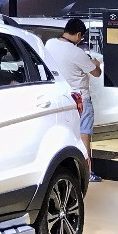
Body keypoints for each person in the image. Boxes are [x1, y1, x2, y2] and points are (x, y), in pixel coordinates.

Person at [43, 17, 103, 182]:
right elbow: (96, 73)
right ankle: (87, 173)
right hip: (80, 99)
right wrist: (95, 63)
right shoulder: (78, 53)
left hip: (60, 98)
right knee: (84, 134)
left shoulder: (50, 44)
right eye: (81, 37)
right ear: (78, 35)